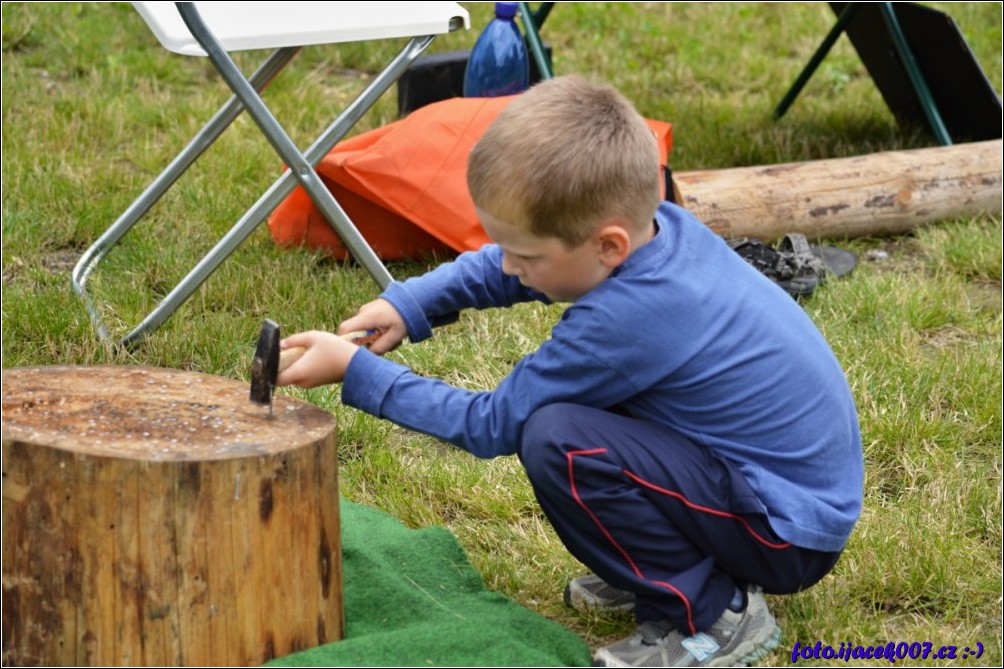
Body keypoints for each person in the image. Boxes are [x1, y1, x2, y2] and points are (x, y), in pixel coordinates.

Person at [277, 75, 863, 667]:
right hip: (769, 492)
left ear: (608, 245)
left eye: (526, 255)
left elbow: (491, 424)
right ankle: (660, 560)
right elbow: (504, 268)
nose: (509, 266)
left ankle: (714, 610)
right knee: (576, 414)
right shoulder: (657, 230)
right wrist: (413, 303)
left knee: (559, 440)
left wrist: (357, 371)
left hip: (782, 532)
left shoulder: (630, 317)